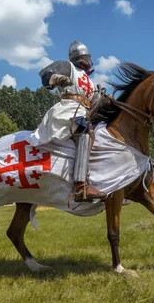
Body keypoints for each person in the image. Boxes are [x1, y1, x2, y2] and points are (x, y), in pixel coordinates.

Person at [33, 41, 106, 202]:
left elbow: (94, 103)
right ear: (83, 57)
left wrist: (104, 100)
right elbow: (46, 74)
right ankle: (81, 187)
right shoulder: (68, 67)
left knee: (103, 134)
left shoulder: (89, 81)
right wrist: (57, 78)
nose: (90, 61)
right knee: (85, 132)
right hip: (68, 109)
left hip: (84, 111)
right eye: (88, 57)